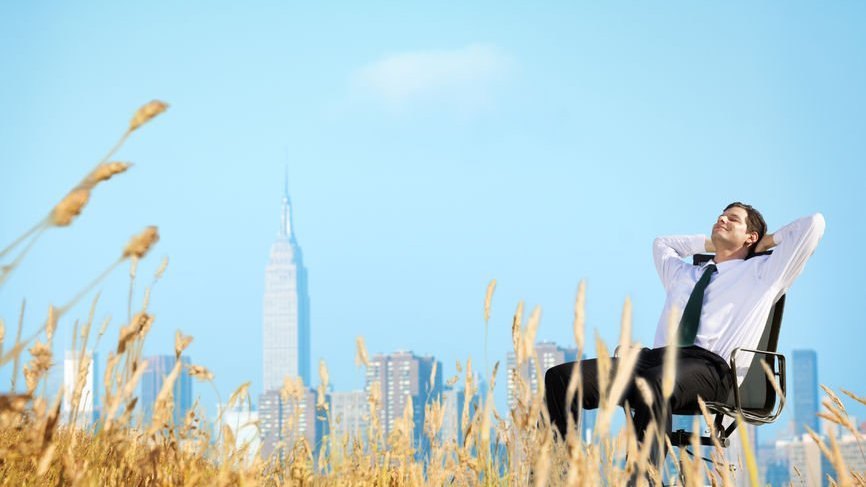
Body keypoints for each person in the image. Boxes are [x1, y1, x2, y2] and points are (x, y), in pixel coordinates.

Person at [544, 202, 825, 466]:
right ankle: (556, 471)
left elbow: (814, 225)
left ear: (749, 237)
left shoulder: (763, 274)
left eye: (733, 219)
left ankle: (643, 479)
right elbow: (662, 243)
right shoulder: (684, 274)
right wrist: (709, 243)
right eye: (720, 215)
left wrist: (765, 242)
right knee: (560, 378)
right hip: (656, 359)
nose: (722, 219)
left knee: (656, 383)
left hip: (710, 368)